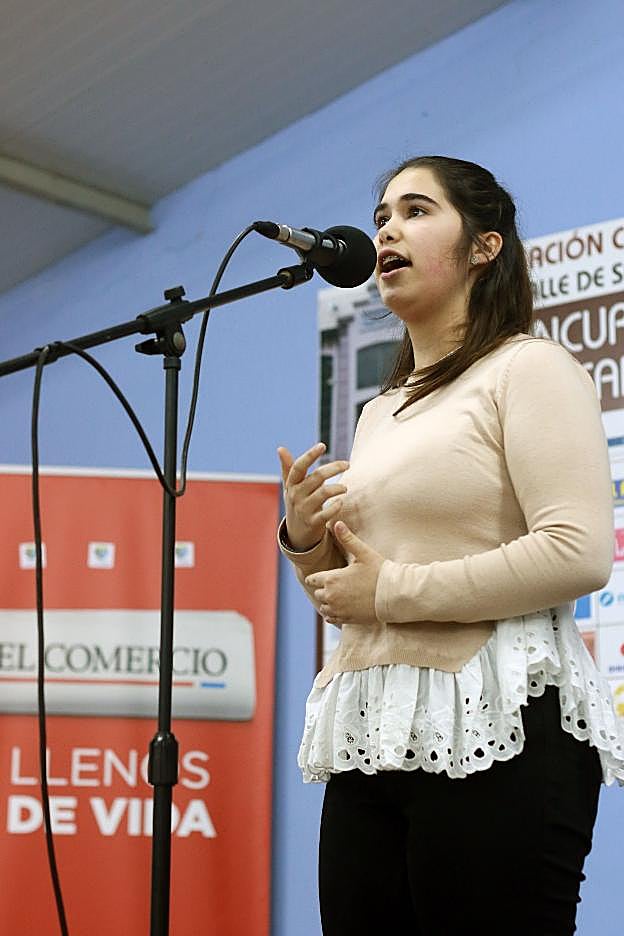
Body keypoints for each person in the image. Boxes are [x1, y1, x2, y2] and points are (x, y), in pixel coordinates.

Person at [277, 155, 624, 936]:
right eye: (380, 218)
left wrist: (388, 591)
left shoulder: (529, 368)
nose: (386, 230)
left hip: (500, 718)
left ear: (483, 247)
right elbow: (356, 597)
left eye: (415, 210)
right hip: (373, 728)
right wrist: (305, 538)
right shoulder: (379, 411)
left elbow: (576, 552)